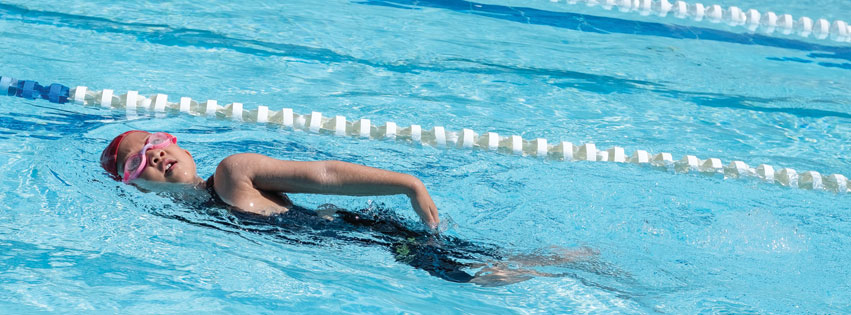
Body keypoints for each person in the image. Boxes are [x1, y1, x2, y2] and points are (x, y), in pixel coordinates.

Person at [100, 130, 596, 286]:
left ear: (183, 148)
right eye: (138, 160)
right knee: (484, 270)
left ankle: (580, 261)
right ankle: (580, 263)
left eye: (159, 142)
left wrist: (409, 185)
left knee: (480, 281)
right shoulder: (186, 215)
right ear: (135, 185)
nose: (156, 154)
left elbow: (323, 176)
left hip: (366, 235)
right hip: (356, 248)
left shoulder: (233, 172)